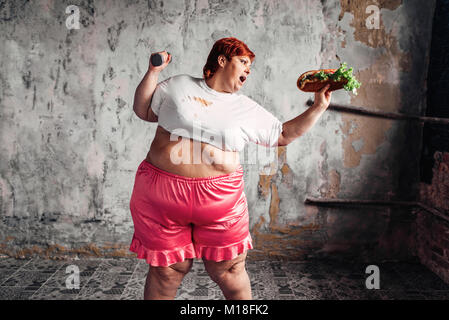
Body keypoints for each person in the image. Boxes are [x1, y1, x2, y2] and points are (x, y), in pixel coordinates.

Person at [130, 37, 332, 300]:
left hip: (220, 198)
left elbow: (283, 134)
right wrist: (153, 72)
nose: (248, 69)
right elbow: (143, 110)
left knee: (230, 270)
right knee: (166, 271)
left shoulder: (246, 108)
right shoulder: (179, 85)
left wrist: (318, 107)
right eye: (243, 62)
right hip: (161, 194)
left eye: (250, 65)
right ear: (222, 60)